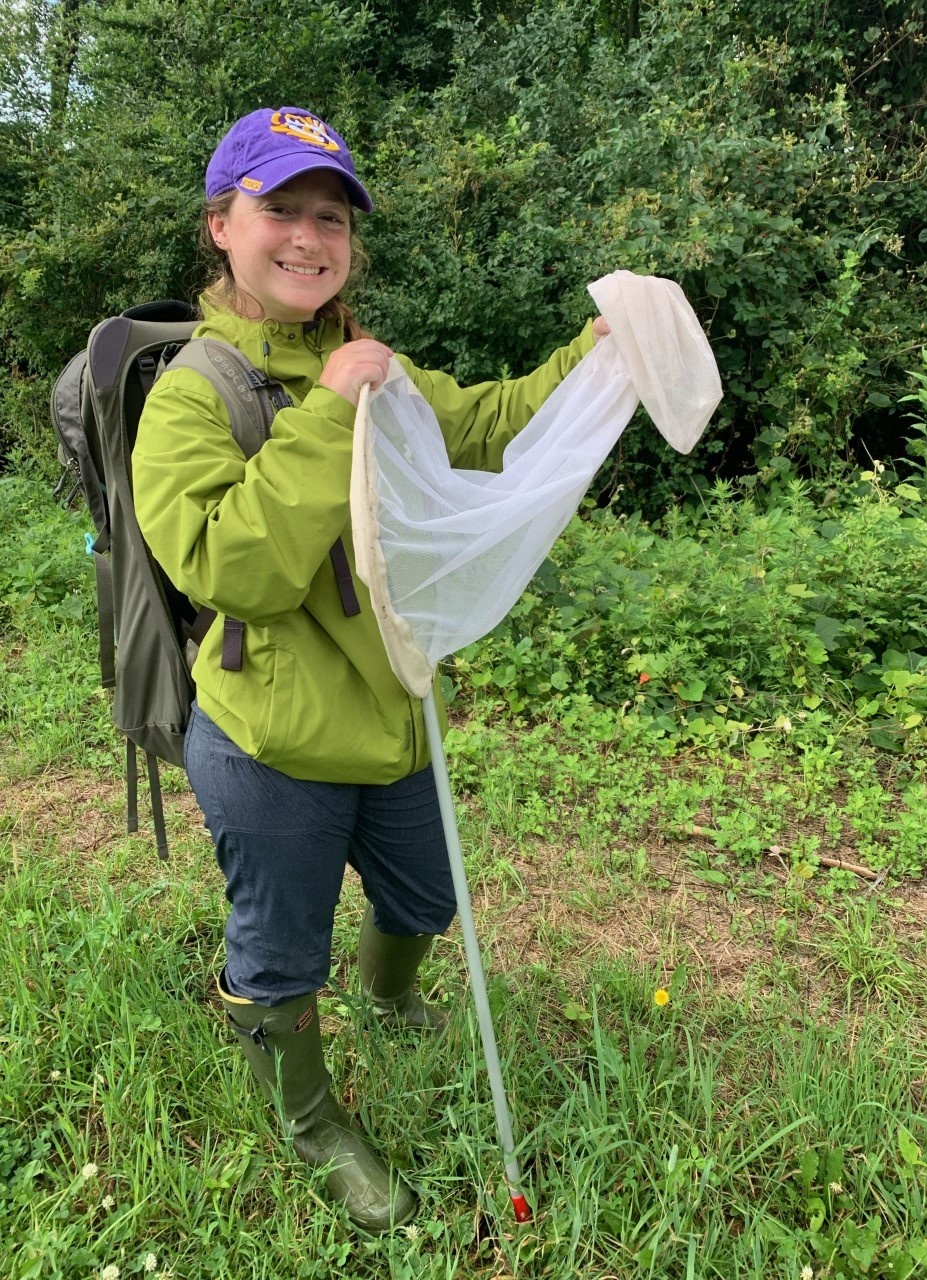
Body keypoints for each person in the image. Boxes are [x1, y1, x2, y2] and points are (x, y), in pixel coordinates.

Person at [132, 106, 608, 1233]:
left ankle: (389, 997)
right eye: (280, 209)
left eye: (331, 217)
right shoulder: (192, 394)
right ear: (221, 225)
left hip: (394, 716)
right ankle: (312, 1123)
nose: (309, 235)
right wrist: (335, 404)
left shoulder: (367, 364)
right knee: (278, 947)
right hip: (269, 740)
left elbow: (484, 423)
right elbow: (234, 565)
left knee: (426, 892)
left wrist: (589, 362)